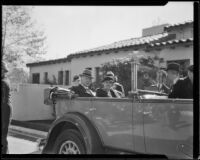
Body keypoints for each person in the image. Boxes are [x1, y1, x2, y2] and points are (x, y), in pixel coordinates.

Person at [1, 61, 12, 154]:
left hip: (4, 110)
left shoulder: (3, 82)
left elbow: (3, 101)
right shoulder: (5, 80)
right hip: (5, 108)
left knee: (3, 136)